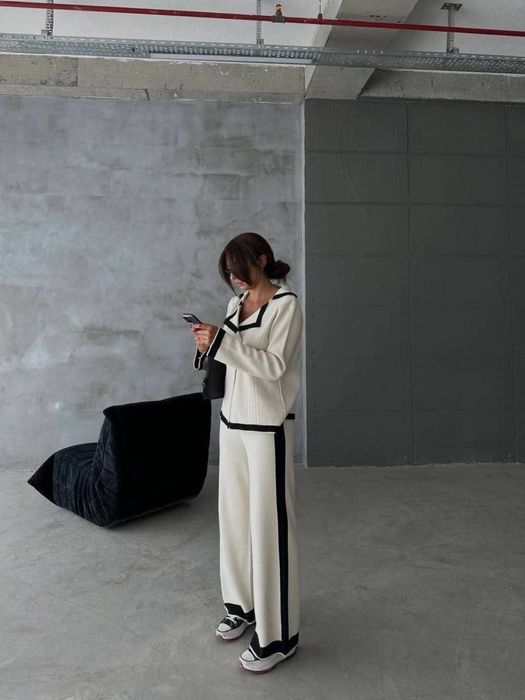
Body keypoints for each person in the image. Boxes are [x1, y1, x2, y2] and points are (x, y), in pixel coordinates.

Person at [190, 232, 303, 674]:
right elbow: (229, 359)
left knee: (269, 530)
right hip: (232, 425)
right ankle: (242, 606)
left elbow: (273, 366)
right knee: (234, 520)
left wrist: (223, 342)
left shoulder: (286, 306)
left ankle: (279, 637)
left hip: (266, 428)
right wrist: (207, 346)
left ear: (262, 259)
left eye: (238, 268)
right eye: (228, 272)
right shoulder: (235, 304)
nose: (234, 278)